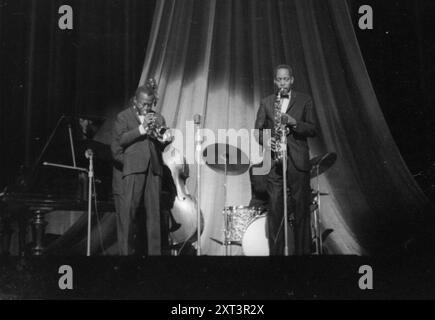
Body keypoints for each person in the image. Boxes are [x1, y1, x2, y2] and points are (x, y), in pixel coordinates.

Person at [254, 64, 317, 255]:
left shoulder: (305, 100)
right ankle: (277, 257)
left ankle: (302, 257)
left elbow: (313, 129)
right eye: (279, 79)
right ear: (275, 81)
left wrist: (294, 122)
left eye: (286, 79)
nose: (283, 82)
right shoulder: (266, 102)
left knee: (301, 211)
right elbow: (257, 131)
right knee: (274, 211)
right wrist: (268, 142)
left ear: (292, 80)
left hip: (297, 162)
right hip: (275, 163)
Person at [111, 84, 171, 255]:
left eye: (150, 104)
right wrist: (141, 129)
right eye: (144, 104)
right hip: (133, 170)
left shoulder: (157, 117)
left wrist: (165, 138)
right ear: (135, 101)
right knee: (127, 217)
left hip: (153, 169)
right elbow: (119, 141)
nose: (147, 108)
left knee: (154, 218)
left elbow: (161, 143)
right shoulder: (123, 117)